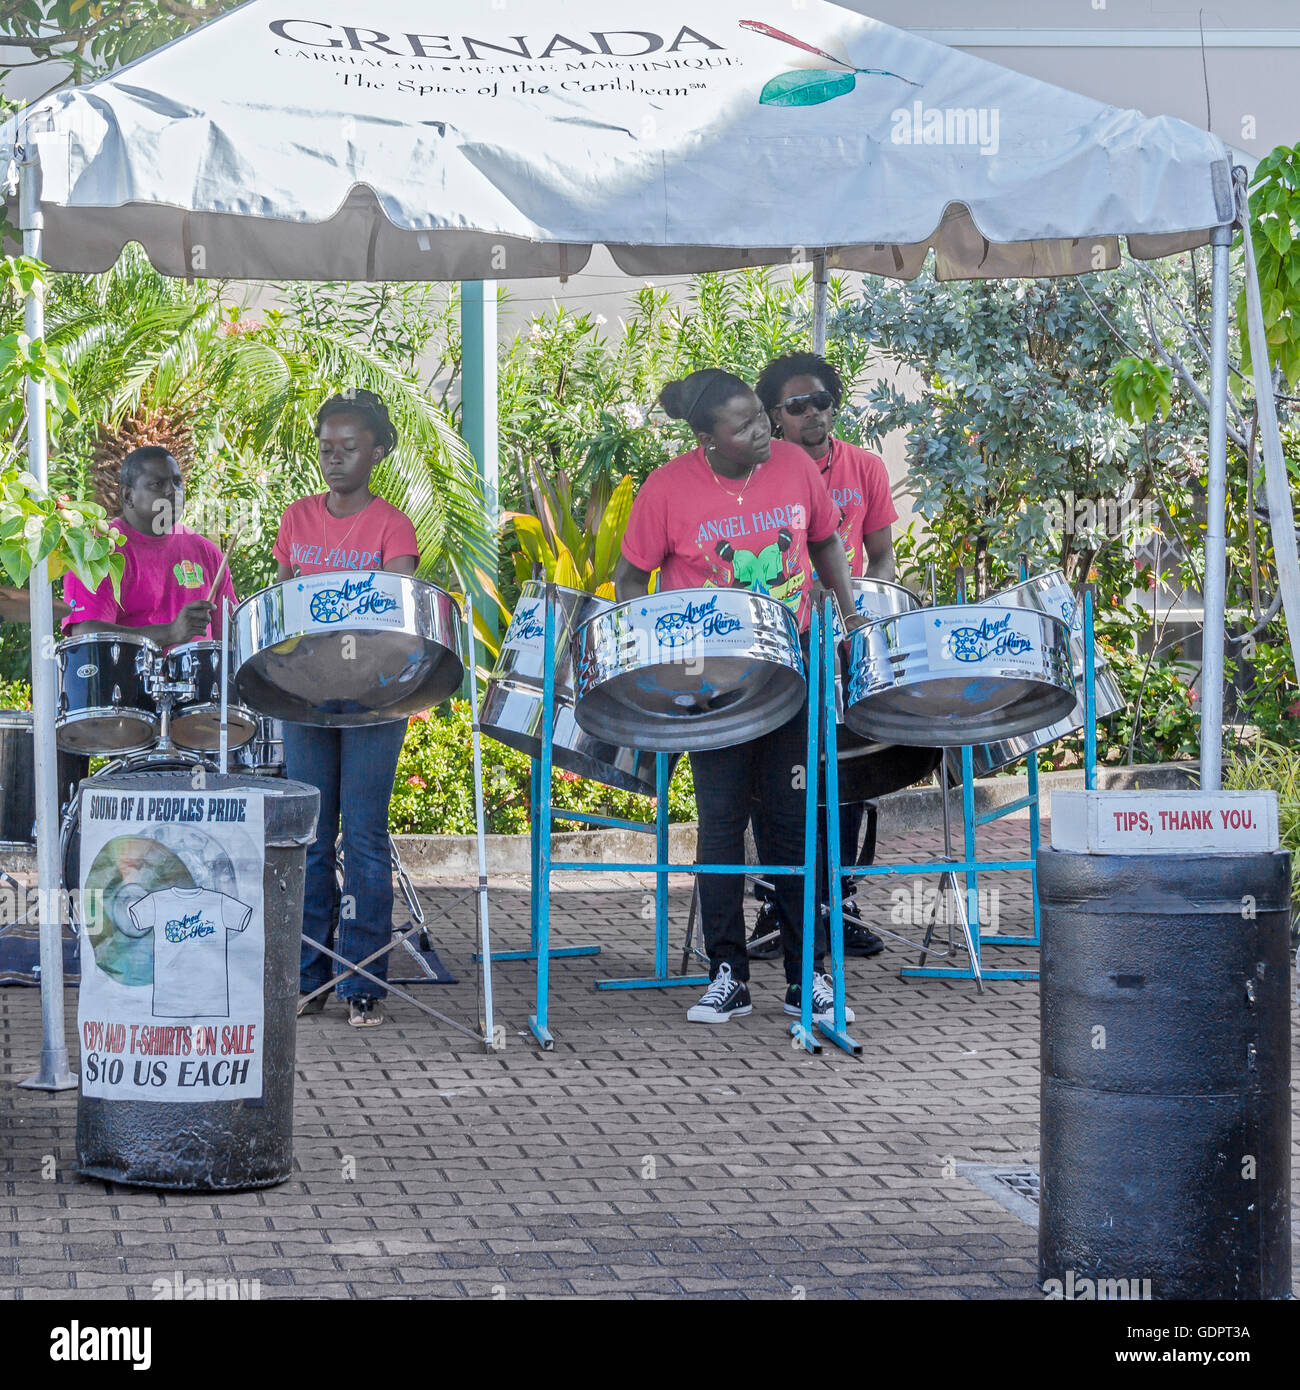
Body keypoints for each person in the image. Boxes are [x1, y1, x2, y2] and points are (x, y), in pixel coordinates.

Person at [616, 368, 868, 1026]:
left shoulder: (793, 466)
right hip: (710, 687)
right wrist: (655, 656)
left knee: (790, 823)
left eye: (763, 416)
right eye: (745, 424)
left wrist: (852, 613)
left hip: (789, 673)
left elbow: (824, 540)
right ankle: (727, 972)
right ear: (706, 437)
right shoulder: (667, 489)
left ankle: (805, 973)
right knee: (723, 826)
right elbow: (628, 579)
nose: (763, 431)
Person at [273, 389, 419, 1029]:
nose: (334, 460)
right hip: (307, 696)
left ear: (377, 454)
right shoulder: (296, 518)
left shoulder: (393, 526)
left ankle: (363, 981)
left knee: (363, 837)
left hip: (374, 698)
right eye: (325, 449)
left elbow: (397, 612)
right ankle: (308, 978)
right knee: (310, 837)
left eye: (349, 448)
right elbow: (284, 610)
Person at [752, 352, 900, 960]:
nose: (812, 415)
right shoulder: (759, 472)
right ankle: (775, 904)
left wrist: (863, 604)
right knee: (777, 775)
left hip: (843, 639)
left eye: (822, 402)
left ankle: (838, 901)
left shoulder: (864, 468)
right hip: (780, 639)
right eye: (797, 406)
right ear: (774, 416)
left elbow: (882, 555)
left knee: (847, 771)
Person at [62, 446, 237, 648]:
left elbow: (231, 638)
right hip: (129, 679)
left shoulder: (207, 552)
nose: (173, 491)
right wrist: (170, 632)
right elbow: (87, 635)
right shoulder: (98, 547)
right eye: (157, 484)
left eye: (177, 482)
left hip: (201, 680)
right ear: (128, 496)